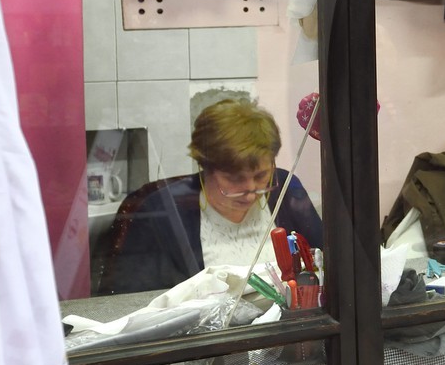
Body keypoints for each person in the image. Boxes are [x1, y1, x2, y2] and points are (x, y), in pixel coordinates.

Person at [101, 99, 323, 294]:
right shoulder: (160, 211)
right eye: (235, 179)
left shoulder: (285, 189)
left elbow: (325, 264)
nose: (251, 191)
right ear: (204, 167)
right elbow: (130, 300)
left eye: (261, 175)